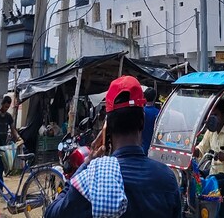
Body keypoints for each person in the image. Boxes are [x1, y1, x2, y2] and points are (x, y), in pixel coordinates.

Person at [46, 75, 181, 218]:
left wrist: (86, 164)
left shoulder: (92, 180)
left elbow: (51, 214)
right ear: (142, 121)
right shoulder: (167, 179)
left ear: (107, 127)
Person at [194, 99, 224, 196]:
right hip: (212, 172)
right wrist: (192, 149)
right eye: (211, 115)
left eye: (216, 115)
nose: (213, 118)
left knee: (207, 187)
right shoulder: (210, 131)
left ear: (223, 115)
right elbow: (201, 148)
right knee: (193, 180)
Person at [0, 95, 20, 184]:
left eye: (8, 107)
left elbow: (13, 130)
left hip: (4, 147)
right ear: (2, 104)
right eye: (5, 106)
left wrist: (18, 138)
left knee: (1, 168)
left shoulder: (9, 117)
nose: (6, 109)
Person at [141, 87, 160, 153]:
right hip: (154, 147)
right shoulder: (158, 113)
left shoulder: (140, 111)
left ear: (145, 97)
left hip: (141, 146)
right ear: (155, 98)